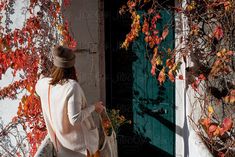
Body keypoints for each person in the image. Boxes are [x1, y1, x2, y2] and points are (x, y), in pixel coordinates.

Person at [35, 45, 104, 157]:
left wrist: (41, 72)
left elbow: (38, 85)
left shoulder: (45, 85)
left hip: (62, 149)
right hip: (81, 149)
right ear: (72, 66)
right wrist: (94, 107)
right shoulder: (72, 87)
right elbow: (75, 119)